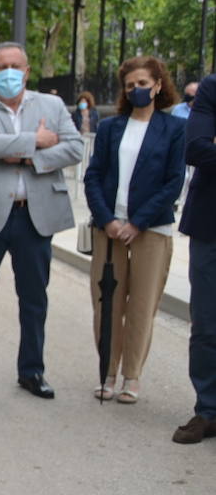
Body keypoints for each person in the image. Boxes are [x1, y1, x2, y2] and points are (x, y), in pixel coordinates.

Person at [0, 42, 84, 398]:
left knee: (34, 298)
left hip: (34, 217)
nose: (9, 72)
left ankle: (32, 370)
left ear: (26, 71)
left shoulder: (52, 105)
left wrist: (22, 155)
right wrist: (35, 141)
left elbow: (74, 147)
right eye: (1, 66)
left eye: (15, 65)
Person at [82, 56, 186, 404]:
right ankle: (107, 372)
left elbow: (173, 183)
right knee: (106, 303)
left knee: (142, 305)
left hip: (151, 229)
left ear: (158, 85)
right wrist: (108, 218)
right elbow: (94, 175)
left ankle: (132, 376)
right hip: (108, 229)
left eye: (143, 83)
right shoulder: (111, 128)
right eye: (130, 85)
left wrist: (138, 222)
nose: (137, 90)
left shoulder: (173, 129)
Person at [173, 73, 216, 443]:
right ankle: (208, 410)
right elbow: (198, 148)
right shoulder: (212, 87)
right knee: (207, 323)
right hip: (210, 227)